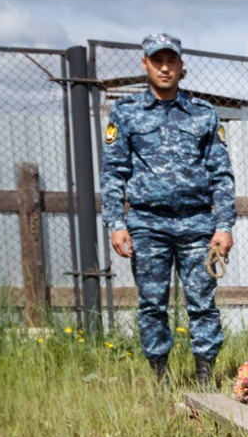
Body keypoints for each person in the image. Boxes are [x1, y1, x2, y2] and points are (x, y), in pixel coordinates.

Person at [100, 33, 236, 386]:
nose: (164, 67)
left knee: (202, 305)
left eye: (171, 60)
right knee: (152, 306)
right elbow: (114, 172)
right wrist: (116, 223)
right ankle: (161, 381)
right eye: (157, 60)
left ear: (180, 64)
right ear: (144, 63)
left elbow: (221, 175)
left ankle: (204, 380)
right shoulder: (127, 113)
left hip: (196, 224)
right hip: (147, 225)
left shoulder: (203, 113)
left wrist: (224, 226)